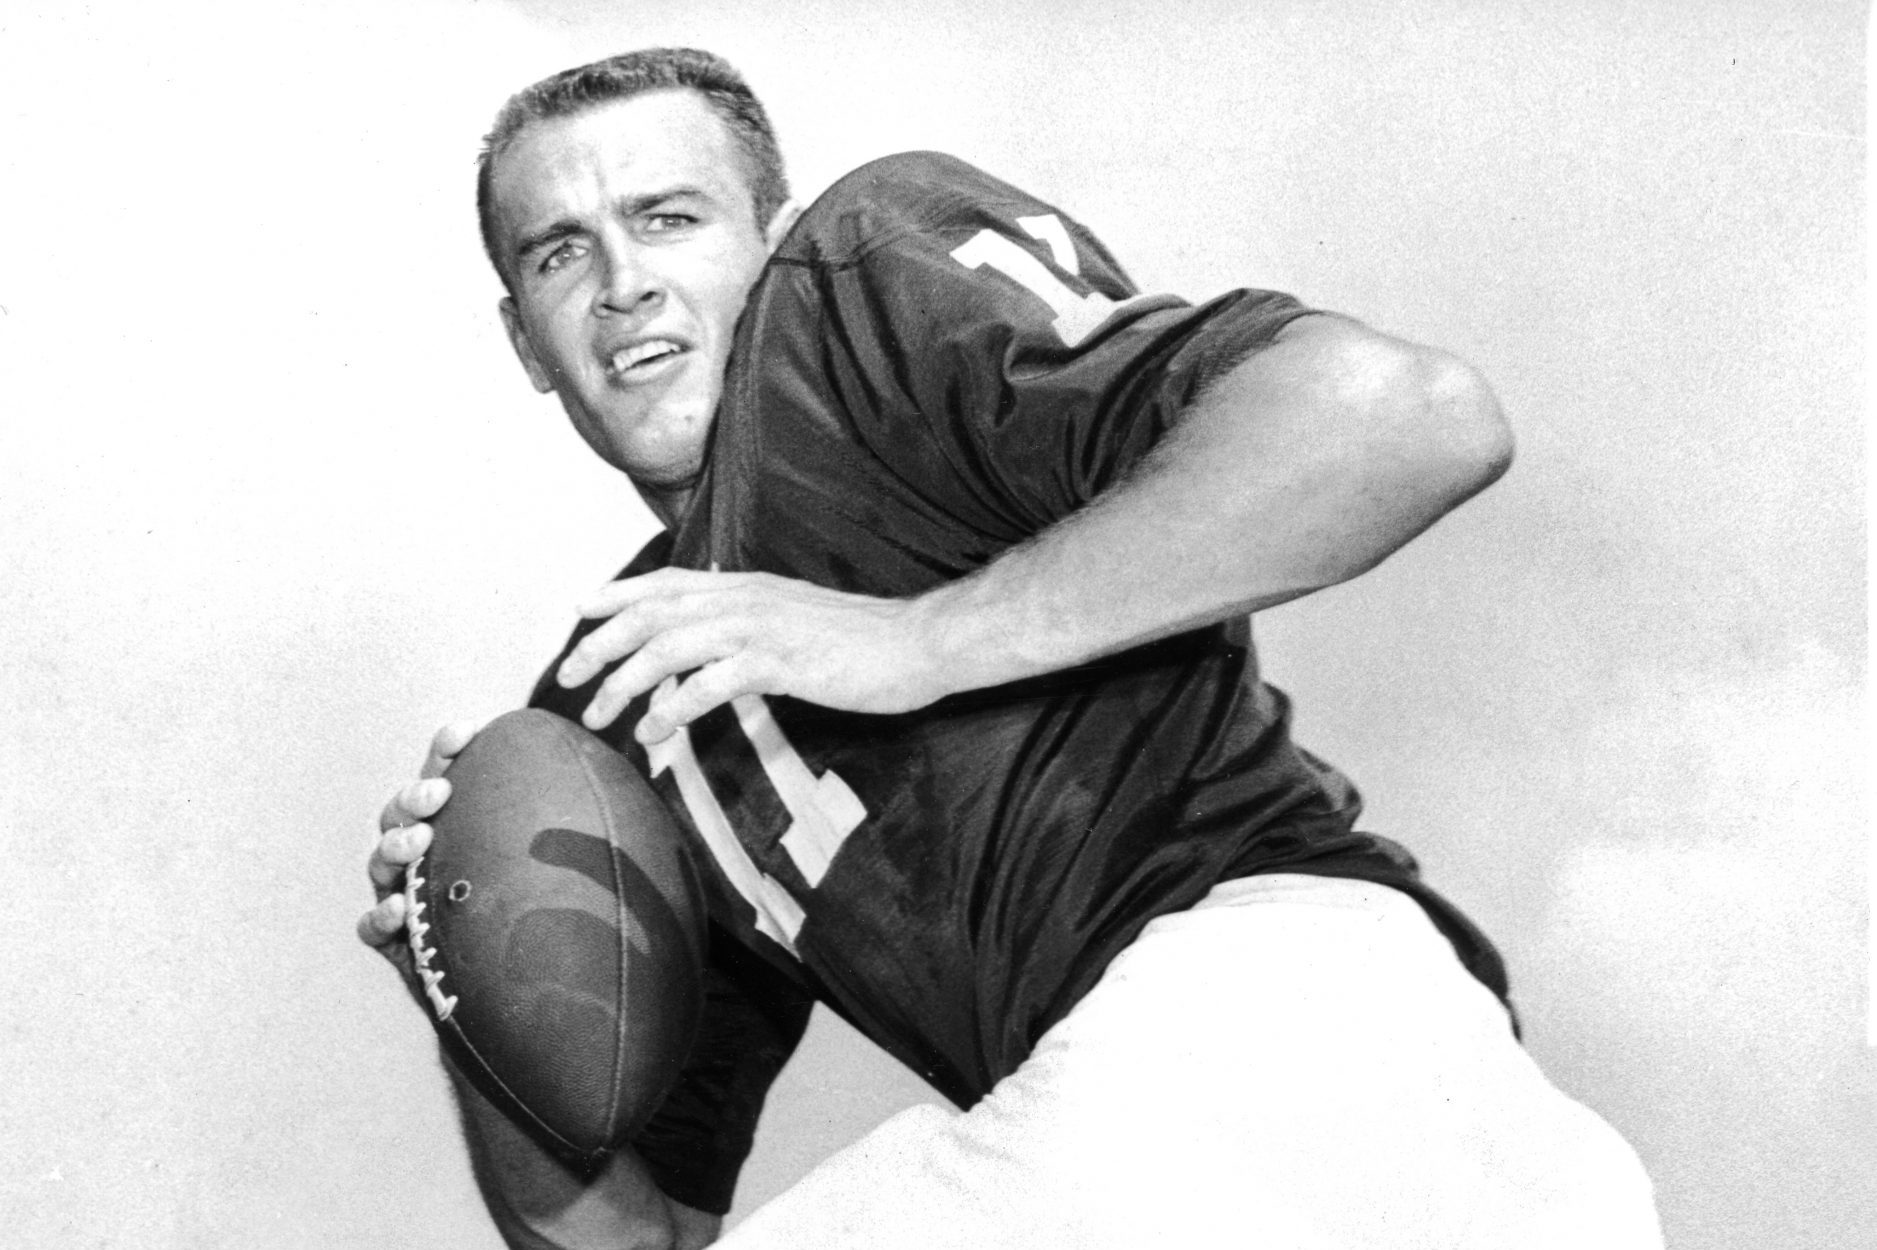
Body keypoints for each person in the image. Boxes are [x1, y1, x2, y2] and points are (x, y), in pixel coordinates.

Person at [359, 47, 1662, 1250]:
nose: (621, 281)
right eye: (557, 254)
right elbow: (632, 1236)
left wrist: (919, 638)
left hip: (1283, 1043)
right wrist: (466, 985)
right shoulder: (611, 705)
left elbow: (1406, 419)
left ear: (770, 244)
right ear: (522, 338)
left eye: (667, 218)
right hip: (1201, 1159)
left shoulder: (854, 293)